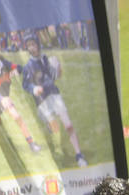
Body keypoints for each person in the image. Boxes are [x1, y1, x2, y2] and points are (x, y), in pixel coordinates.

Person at [18, 35, 85, 166]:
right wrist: (34, 88)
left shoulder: (47, 60)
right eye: (29, 45)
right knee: (55, 129)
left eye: (33, 43)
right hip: (42, 101)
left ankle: (79, 155)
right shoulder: (28, 67)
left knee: (68, 125)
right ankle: (50, 126)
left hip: (54, 95)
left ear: (38, 44)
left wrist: (58, 68)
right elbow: (25, 85)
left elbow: (54, 77)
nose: (32, 47)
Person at [0, 45, 42, 153]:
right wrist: (1, 98)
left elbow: (20, 68)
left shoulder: (5, 64)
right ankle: (6, 143)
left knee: (17, 116)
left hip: (4, 97)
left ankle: (31, 144)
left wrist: (12, 73)